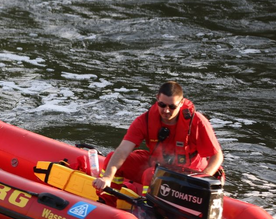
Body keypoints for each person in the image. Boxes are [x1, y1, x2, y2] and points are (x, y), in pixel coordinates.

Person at [92, 81, 224, 193]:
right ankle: (108, 200)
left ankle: (149, 214)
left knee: (152, 175)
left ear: (181, 103)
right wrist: (108, 177)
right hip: (159, 165)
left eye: (172, 107)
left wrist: (202, 178)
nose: (166, 110)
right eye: (162, 105)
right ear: (157, 99)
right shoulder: (145, 120)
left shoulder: (197, 122)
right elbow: (123, 150)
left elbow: (217, 156)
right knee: (111, 159)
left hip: (190, 173)